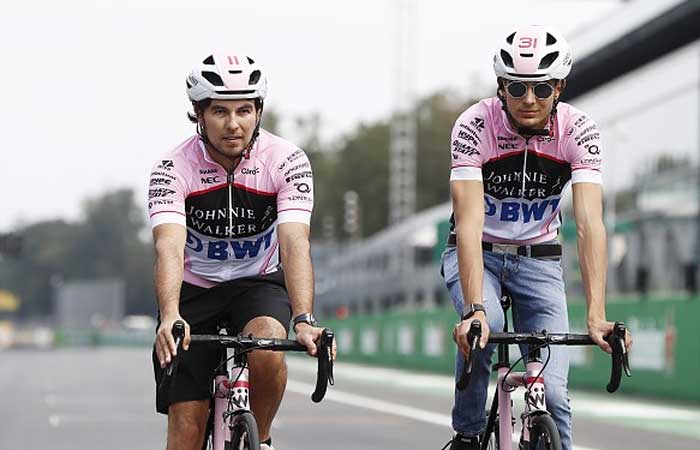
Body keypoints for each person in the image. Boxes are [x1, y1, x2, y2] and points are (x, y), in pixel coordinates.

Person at [441, 25, 632, 450]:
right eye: (517, 88)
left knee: (556, 396)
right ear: (500, 87)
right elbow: (468, 223)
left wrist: (597, 314)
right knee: (484, 326)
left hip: (539, 261)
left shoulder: (578, 130)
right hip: (478, 253)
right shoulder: (474, 125)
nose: (530, 100)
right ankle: (468, 434)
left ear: (560, 87)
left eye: (542, 89)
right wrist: (473, 309)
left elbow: (589, 224)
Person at [148, 52, 329, 450]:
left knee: (266, 344)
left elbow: (295, 241)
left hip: (257, 284)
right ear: (199, 113)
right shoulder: (172, 167)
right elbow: (169, 246)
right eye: (220, 112)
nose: (234, 124)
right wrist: (171, 314)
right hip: (195, 290)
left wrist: (303, 318)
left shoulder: (286, 159)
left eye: (245, 110)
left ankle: (259, 439)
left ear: (259, 111)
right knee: (186, 430)